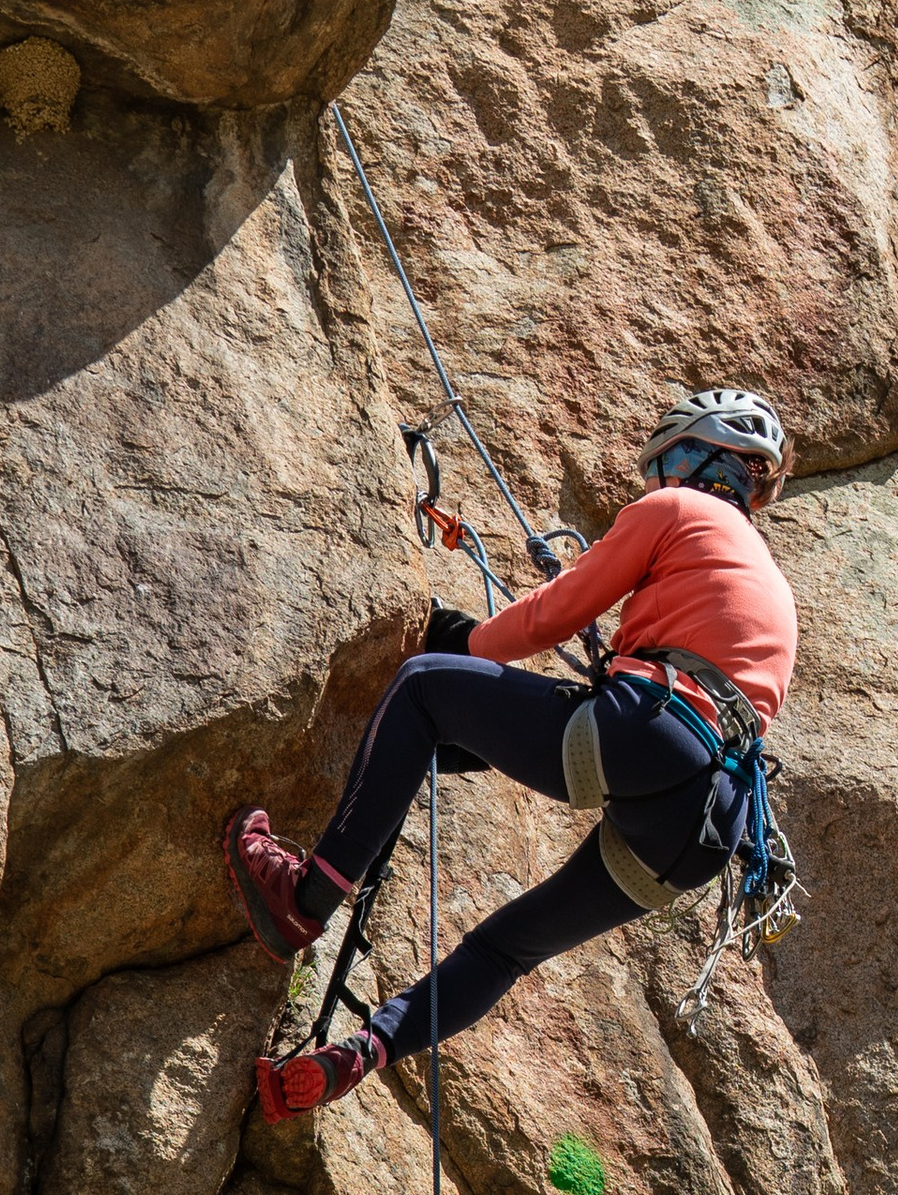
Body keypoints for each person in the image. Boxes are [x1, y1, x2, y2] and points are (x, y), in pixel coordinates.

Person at [227, 388, 796, 1120]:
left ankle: (303, 902)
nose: (657, 482)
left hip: (651, 730)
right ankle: (355, 1055)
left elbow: (552, 616)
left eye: (666, 465)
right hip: (710, 827)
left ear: (697, 455)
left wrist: (459, 644)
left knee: (426, 689)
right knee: (505, 951)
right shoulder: (772, 586)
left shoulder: (679, 512)